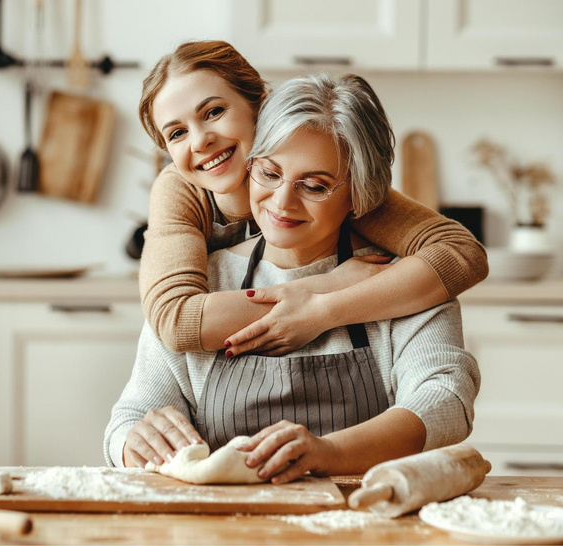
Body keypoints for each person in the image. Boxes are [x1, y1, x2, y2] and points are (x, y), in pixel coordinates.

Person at [105, 72, 480, 484]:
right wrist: (133, 441)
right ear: (248, 165)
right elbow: (129, 418)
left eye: (315, 185)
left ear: (359, 194)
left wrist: (329, 452)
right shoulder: (202, 282)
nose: (282, 202)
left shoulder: (400, 281)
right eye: (268, 173)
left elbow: (446, 400)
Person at [137, 40, 488, 358]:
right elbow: (177, 320)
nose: (200, 141)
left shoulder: (319, 184)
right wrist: (329, 284)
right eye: (177, 133)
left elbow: (461, 253)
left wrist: (327, 311)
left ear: (260, 104)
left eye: (214, 112)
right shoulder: (179, 191)